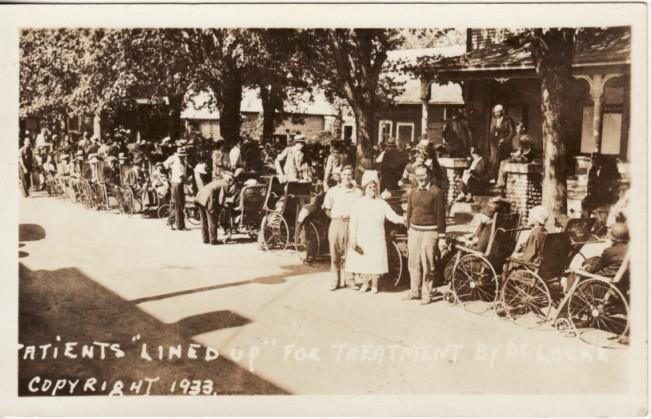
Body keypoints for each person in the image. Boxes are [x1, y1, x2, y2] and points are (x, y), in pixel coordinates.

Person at [346, 171, 405, 294]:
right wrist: (353, 238)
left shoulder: (381, 203)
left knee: (375, 260)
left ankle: (374, 285)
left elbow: (392, 216)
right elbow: (353, 222)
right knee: (363, 260)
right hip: (362, 235)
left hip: (377, 236)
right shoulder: (358, 203)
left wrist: (404, 220)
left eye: (374, 187)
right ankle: (365, 283)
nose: (372, 189)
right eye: (370, 187)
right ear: (365, 188)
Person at [405, 165, 447, 305]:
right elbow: (409, 212)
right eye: (418, 176)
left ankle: (426, 294)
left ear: (429, 175)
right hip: (414, 231)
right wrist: (408, 229)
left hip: (430, 232)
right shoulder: (412, 192)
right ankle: (414, 292)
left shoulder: (436, 192)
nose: (420, 179)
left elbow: (441, 216)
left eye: (423, 175)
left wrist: (441, 237)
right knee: (413, 262)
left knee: (428, 264)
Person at [322, 165, 363, 291]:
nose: (347, 177)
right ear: (340, 176)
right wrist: (336, 218)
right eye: (344, 174)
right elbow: (327, 209)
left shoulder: (358, 192)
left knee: (350, 254)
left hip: (352, 224)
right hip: (336, 223)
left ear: (352, 176)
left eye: (349, 175)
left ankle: (350, 281)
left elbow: (362, 209)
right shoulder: (333, 191)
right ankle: (335, 281)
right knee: (335, 254)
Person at [565, 222, 629, 293]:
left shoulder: (611, 251)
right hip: (619, 283)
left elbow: (596, 268)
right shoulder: (627, 248)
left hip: (601, 283)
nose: (608, 230)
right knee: (592, 260)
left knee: (575, 272)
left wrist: (585, 268)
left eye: (610, 230)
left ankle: (568, 297)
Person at [194, 171, 235, 245]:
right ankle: (213, 240)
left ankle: (205, 239)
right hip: (208, 198)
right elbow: (221, 198)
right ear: (230, 180)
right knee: (212, 219)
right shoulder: (225, 184)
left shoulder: (219, 181)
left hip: (200, 197)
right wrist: (222, 206)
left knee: (204, 220)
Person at [163, 146, 189, 231]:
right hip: (176, 183)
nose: (182, 156)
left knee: (180, 204)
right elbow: (164, 165)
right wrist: (169, 173)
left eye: (183, 155)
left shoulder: (184, 161)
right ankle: (180, 225)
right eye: (181, 155)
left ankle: (170, 221)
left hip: (180, 183)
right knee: (179, 204)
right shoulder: (173, 158)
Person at [488, 104, 515, 181]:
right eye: (495, 112)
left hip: (505, 145)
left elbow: (512, 132)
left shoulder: (508, 120)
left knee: (502, 161)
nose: (496, 114)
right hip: (495, 145)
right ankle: (494, 178)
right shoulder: (494, 120)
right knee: (494, 160)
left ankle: (502, 180)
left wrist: (505, 140)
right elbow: (492, 132)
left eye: (498, 112)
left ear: (502, 112)